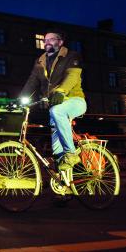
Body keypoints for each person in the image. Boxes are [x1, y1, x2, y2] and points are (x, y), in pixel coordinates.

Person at [20, 31, 86, 171]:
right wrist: (19, 100)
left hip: (75, 100)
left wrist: (61, 91)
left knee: (56, 111)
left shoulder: (71, 56)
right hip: (55, 105)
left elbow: (72, 76)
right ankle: (62, 178)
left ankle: (71, 153)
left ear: (60, 42)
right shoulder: (40, 61)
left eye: (51, 39)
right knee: (56, 142)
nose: (47, 42)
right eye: (45, 40)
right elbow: (32, 82)